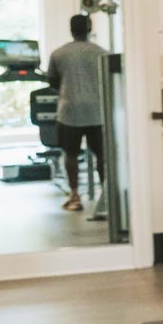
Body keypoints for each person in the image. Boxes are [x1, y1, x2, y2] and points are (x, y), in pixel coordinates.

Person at [45, 14, 109, 212]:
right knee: (102, 154)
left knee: (70, 154)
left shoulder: (58, 54)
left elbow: (53, 83)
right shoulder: (102, 53)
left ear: (71, 30)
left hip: (70, 111)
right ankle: (105, 195)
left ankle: (74, 195)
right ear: (89, 29)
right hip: (97, 112)